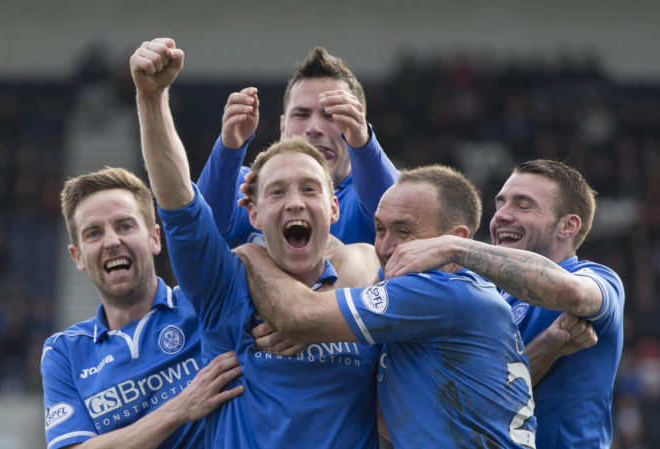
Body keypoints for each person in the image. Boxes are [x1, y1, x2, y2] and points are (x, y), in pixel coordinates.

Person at [131, 38, 382, 448]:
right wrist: (152, 98)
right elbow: (177, 195)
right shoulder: (224, 287)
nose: (295, 202)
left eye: (309, 189)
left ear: (335, 209)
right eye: (277, 192)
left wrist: (319, 310)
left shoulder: (372, 293)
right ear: (252, 213)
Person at [237, 164, 539, 448]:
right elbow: (364, 257)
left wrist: (252, 253)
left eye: (403, 232)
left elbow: (297, 315)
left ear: (453, 242)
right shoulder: (446, 291)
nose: (385, 247)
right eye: (380, 229)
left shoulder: (436, 293)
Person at [383, 159, 624, 449]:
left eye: (523, 205)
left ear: (568, 226)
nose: (502, 216)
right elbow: (483, 401)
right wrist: (547, 348)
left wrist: (454, 246)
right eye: (500, 204)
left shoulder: (596, 277)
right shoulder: (483, 295)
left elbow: (573, 294)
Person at [40, 167, 244, 449]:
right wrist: (179, 409)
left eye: (125, 226)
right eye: (94, 233)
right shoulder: (65, 352)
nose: (112, 242)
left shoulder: (204, 304)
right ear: (78, 256)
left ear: (155, 238)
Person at [197, 46, 398, 248]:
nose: (313, 128)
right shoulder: (250, 186)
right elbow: (201, 230)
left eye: (331, 115)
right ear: (283, 127)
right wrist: (228, 149)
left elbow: (395, 212)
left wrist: (364, 145)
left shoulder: (367, 195)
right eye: (301, 115)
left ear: (358, 127)